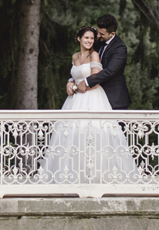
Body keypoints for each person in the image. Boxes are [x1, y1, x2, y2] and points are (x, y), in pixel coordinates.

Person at [38, 25, 136, 183]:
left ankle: (96, 176)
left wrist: (75, 87)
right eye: (86, 38)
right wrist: (69, 83)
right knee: (70, 137)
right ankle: (72, 176)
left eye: (92, 38)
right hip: (74, 100)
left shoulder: (94, 55)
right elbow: (75, 75)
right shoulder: (75, 56)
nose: (90, 41)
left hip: (92, 98)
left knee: (93, 135)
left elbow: (95, 82)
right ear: (79, 38)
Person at [69, 14, 130, 110]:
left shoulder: (120, 48)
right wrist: (71, 80)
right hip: (93, 97)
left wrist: (85, 82)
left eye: (102, 34)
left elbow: (109, 71)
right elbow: (82, 66)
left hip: (114, 98)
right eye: (98, 32)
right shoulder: (97, 43)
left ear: (112, 34)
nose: (98, 36)